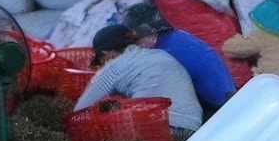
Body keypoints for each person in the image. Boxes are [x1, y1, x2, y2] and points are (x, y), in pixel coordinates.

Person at [75, 24, 203, 134]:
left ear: (107, 54)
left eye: (101, 60)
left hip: (168, 129)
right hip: (195, 127)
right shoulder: (158, 54)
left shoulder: (114, 67)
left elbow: (80, 112)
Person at [122, 3, 235, 119]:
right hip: (226, 91)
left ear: (148, 32)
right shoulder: (176, 36)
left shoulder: (165, 51)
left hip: (216, 102)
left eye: (137, 41)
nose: (137, 45)